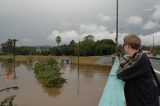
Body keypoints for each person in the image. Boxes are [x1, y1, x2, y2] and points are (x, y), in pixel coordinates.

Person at [116, 34, 159, 106]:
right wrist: (122, 67)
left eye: (124, 44)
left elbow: (120, 73)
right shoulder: (136, 56)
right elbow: (122, 65)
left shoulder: (138, 58)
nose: (123, 47)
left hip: (145, 101)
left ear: (128, 45)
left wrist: (122, 68)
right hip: (143, 99)